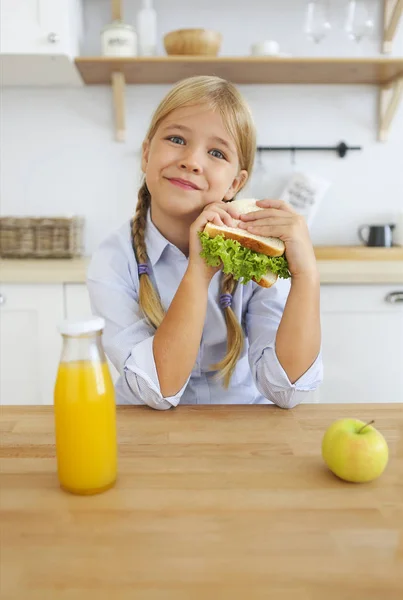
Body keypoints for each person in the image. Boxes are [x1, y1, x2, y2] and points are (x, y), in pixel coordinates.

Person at [87, 75, 323, 410]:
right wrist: (198, 271)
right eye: (176, 139)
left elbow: (288, 390)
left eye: (216, 152)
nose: (192, 161)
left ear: (235, 183)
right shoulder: (113, 259)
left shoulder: (257, 254)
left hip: (241, 434)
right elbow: (159, 389)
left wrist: (307, 276)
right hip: (147, 436)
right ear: (145, 154)